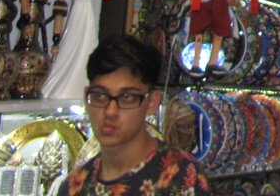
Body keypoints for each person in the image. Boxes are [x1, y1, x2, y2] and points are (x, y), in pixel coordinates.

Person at [67, 35, 208, 196]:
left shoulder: (182, 176)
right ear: (86, 98)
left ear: (152, 103)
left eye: (127, 97)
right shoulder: (75, 185)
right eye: (100, 96)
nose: (110, 111)